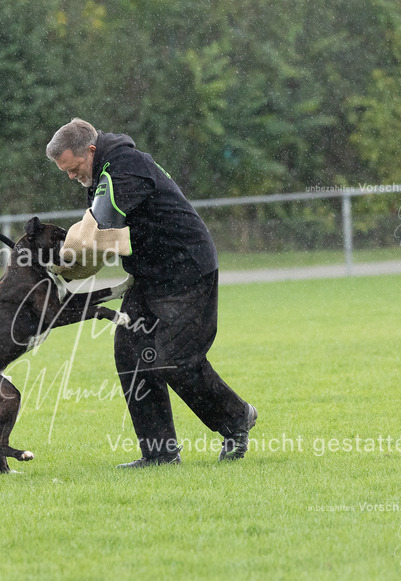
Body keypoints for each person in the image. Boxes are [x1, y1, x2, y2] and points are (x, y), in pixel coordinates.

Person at [46, 118, 256, 467]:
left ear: (91, 150)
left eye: (74, 167)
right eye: (65, 172)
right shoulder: (101, 174)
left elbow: (95, 231)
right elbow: (103, 243)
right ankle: (159, 453)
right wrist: (64, 270)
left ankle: (236, 419)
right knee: (130, 352)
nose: (72, 176)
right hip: (150, 274)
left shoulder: (123, 166)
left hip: (187, 269)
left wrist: (62, 257)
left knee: (174, 359)